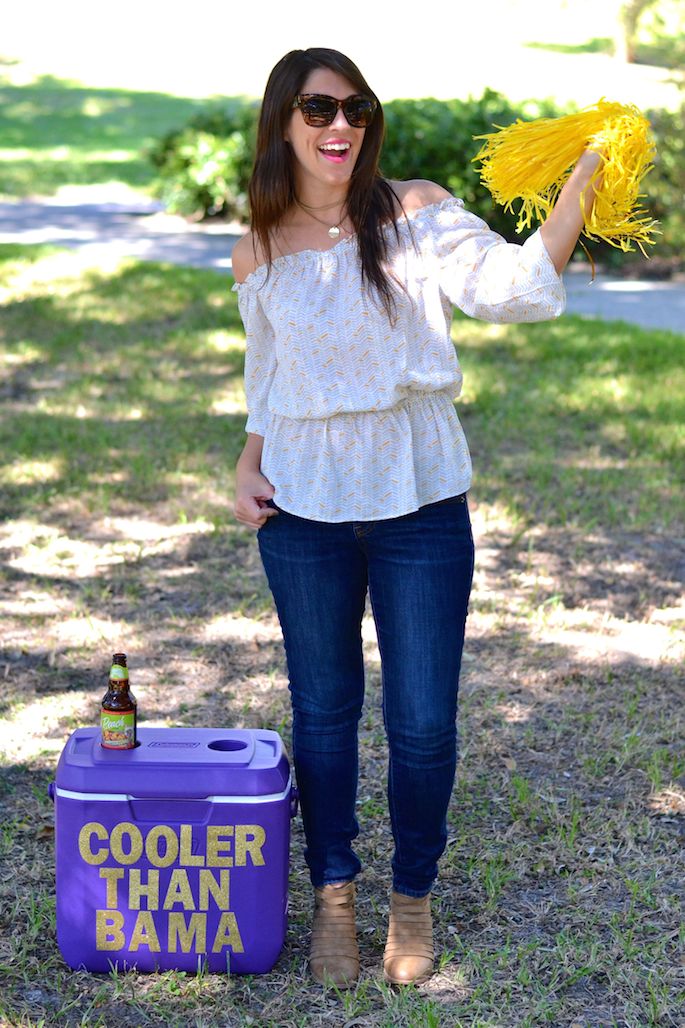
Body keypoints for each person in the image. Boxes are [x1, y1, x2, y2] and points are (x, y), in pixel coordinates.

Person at [232, 47, 601, 987]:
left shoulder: (416, 210)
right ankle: (334, 897)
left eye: (354, 108)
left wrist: (579, 190)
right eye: (317, 110)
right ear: (283, 121)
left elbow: (511, 291)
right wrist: (248, 460)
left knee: (424, 721)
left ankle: (410, 901)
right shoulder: (260, 244)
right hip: (302, 509)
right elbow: (268, 380)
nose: (338, 127)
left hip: (421, 497)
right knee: (321, 714)